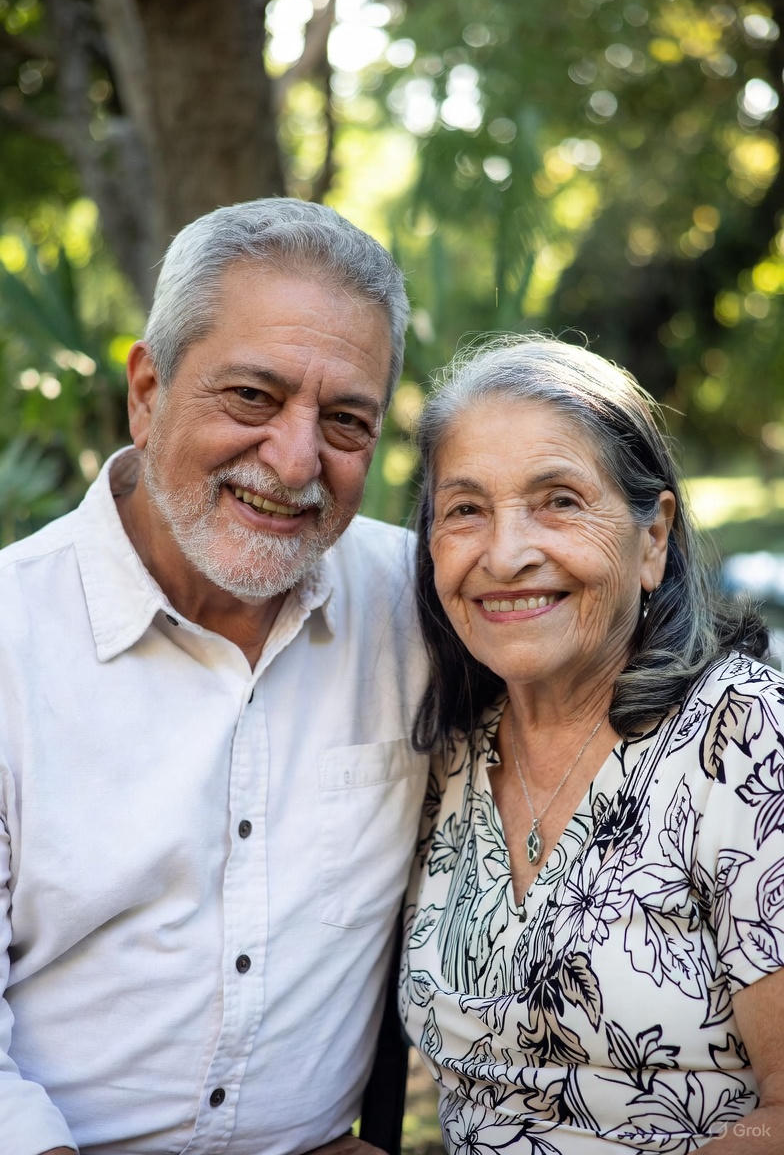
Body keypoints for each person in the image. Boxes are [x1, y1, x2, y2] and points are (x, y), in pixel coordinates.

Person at [0, 198, 429, 1155]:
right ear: (147, 392)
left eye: (347, 420)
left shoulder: (422, 608)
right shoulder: (11, 642)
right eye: (252, 397)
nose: (294, 458)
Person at [400, 335, 784, 1152]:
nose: (505, 555)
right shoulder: (449, 755)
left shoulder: (742, 739)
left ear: (652, 540)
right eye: (465, 509)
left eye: (559, 500)